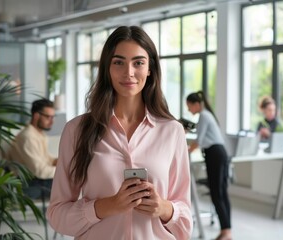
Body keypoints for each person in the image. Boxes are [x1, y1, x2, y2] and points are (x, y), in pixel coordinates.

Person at [47, 26, 192, 239]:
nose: (129, 72)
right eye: (119, 62)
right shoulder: (76, 130)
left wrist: (163, 208)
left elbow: (186, 224)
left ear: (150, 68)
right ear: (107, 68)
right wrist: (107, 206)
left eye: (138, 63)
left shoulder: (172, 131)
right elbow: (57, 214)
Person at [186, 91, 232, 240]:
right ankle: (227, 230)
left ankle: (226, 231)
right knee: (222, 193)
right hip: (220, 153)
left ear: (196, 104)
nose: (188, 110)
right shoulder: (207, 115)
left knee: (217, 194)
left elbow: (198, 140)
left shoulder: (204, 116)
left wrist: (184, 151)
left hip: (215, 155)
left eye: (189, 106)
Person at [7, 98, 57, 180]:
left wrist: (57, 161)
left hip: (38, 179)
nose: (52, 122)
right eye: (48, 117)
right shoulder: (27, 137)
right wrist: (65, 170)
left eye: (53, 117)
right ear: (36, 116)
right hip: (29, 182)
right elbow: (40, 171)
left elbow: (46, 159)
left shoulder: (39, 134)